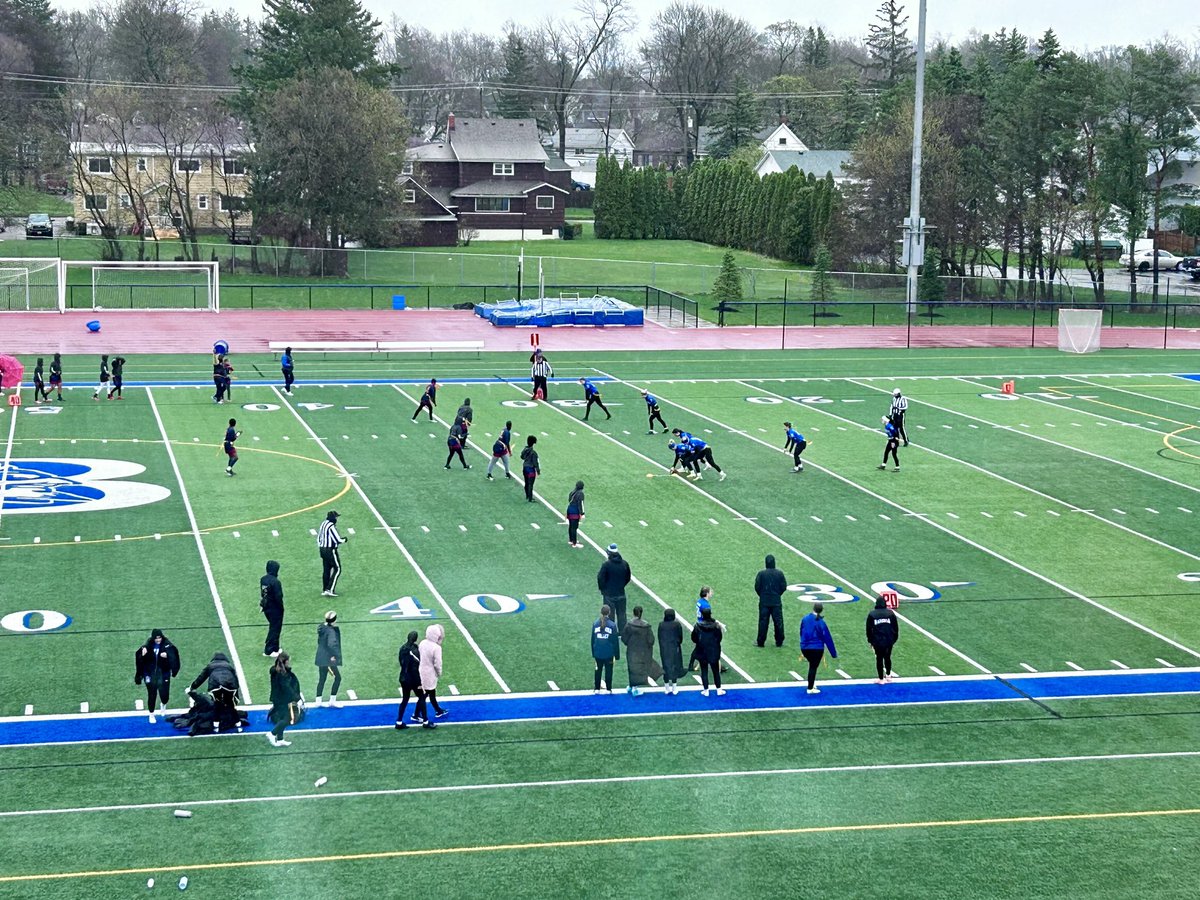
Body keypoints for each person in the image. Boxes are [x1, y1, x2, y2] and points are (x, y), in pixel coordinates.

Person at [134, 628, 180, 723]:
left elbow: (175, 657)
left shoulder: (168, 646)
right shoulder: (147, 646)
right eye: (156, 638)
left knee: (165, 695)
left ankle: (163, 704)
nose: (158, 640)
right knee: (152, 694)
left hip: (163, 674)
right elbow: (139, 659)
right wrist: (142, 655)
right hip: (150, 674)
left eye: (159, 638)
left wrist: (167, 656)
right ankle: (151, 714)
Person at [188, 651, 241, 730]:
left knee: (217, 703)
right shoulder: (229, 666)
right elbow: (235, 680)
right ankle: (238, 723)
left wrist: (193, 687)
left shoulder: (210, 666)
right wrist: (236, 694)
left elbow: (201, 678)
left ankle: (216, 724)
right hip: (230, 686)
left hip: (216, 685)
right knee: (230, 704)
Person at [621, 606, 662, 696]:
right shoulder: (646, 626)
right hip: (643, 651)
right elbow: (651, 640)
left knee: (632, 668)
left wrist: (630, 644)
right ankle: (634, 688)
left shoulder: (629, 625)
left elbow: (624, 638)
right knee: (639, 668)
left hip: (632, 650)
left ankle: (632, 686)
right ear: (641, 613)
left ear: (633, 613)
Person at [799, 602, 838, 695]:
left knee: (811, 665)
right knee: (813, 667)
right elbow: (827, 638)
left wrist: (803, 643)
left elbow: (801, 631)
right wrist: (833, 653)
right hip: (816, 648)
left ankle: (811, 684)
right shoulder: (821, 622)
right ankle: (810, 687)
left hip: (804, 647)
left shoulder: (805, 618)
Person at [413, 624, 447, 728]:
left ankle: (438, 710)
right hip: (430, 673)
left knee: (429, 693)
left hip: (421, 670)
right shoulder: (436, 648)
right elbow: (437, 663)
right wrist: (439, 672)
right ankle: (417, 714)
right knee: (426, 694)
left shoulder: (423, 643)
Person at [267, 652, 302, 747]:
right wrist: (296, 697)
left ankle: (280, 739)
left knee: (282, 718)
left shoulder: (276, 671)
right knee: (288, 718)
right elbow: (286, 687)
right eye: (288, 662)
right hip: (283, 699)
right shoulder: (282, 673)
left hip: (277, 698)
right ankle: (272, 734)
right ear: (285, 661)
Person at [597, 543, 631, 632]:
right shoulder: (624, 564)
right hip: (621, 593)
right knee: (622, 614)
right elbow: (628, 577)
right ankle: (623, 633)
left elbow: (600, 578)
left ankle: (611, 631)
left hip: (609, 594)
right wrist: (621, 585)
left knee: (610, 615)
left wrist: (603, 589)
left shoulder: (606, 565)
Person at [754, 554, 787, 648]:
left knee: (763, 621)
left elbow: (757, 587)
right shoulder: (779, 573)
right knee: (778, 621)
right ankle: (779, 641)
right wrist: (777, 594)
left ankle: (761, 641)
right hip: (776, 601)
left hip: (764, 601)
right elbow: (783, 586)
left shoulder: (761, 574)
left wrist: (762, 595)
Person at [691, 608, 725, 696]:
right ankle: (719, 689)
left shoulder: (698, 626)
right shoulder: (716, 626)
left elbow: (694, 638)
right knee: (715, 671)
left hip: (702, 650)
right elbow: (719, 638)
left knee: (704, 670)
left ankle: (706, 690)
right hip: (713, 651)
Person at [866, 597, 900, 684]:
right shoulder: (890, 613)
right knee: (888, 657)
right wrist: (893, 639)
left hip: (878, 641)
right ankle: (888, 675)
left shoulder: (872, 614)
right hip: (889, 640)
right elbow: (895, 628)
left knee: (879, 658)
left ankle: (881, 679)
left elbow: (869, 629)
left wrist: (870, 641)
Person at [314, 610, 343, 707]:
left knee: (322, 679)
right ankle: (332, 700)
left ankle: (318, 700)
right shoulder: (331, 631)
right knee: (338, 678)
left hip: (320, 656)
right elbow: (332, 645)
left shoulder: (322, 627)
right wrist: (335, 656)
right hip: (328, 659)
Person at [395, 630, 422, 729]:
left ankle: (399, 721)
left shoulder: (403, 648)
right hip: (412, 678)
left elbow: (401, 662)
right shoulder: (414, 650)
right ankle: (421, 717)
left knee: (405, 699)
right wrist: (419, 682)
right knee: (422, 696)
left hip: (403, 677)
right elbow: (416, 667)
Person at [591, 604, 620, 693]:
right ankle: (608, 688)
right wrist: (617, 655)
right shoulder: (612, 625)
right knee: (609, 671)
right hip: (608, 653)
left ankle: (597, 688)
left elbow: (592, 640)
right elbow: (615, 641)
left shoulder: (595, 624)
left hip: (598, 652)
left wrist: (593, 652)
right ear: (609, 613)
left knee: (598, 670)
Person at [317, 510, 347, 597]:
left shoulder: (323, 524)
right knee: (337, 569)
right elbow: (337, 539)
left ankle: (325, 589)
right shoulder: (331, 526)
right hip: (330, 550)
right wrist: (344, 540)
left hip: (322, 549)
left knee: (326, 569)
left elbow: (319, 537)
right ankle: (330, 589)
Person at [259, 559, 284, 657]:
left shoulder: (263, 579)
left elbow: (264, 593)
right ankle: (269, 649)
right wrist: (281, 607)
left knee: (274, 626)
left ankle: (275, 647)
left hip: (266, 606)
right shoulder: (276, 582)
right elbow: (278, 596)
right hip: (275, 607)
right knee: (275, 628)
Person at [658, 609, 685, 695]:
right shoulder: (677, 624)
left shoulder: (661, 625)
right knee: (674, 666)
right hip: (674, 648)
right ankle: (674, 687)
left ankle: (666, 687)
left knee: (665, 666)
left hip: (664, 649)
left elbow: (660, 637)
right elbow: (680, 637)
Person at [520, 435, 540, 502]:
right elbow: (535, 463)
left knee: (526, 483)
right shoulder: (534, 453)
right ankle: (530, 498)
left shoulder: (525, 450)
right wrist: (538, 470)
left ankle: (527, 495)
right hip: (531, 470)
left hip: (525, 468)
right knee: (530, 484)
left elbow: (522, 457)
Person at [566, 480, 585, 548]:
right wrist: (582, 513)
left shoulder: (572, 492)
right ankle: (574, 542)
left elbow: (569, 500)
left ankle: (571, 539)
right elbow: (581, 504)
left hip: (570, 509)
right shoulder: (580, 494)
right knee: (574, 527)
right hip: (575, 511)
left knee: (571, 525)